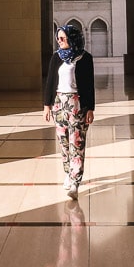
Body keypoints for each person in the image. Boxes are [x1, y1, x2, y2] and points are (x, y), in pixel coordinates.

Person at [43, 24, 95, 200]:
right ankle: (68, 172)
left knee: (77, 142)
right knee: (64, 142)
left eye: (63, 38)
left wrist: (90, 108)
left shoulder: (85, 58)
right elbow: (50, 82)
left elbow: (89, 85)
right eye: (58, 37)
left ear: (73, 38)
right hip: (59, 104)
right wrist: (46, 106)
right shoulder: (56, 57)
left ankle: (75, 181)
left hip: (77, 104)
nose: (59, 40)